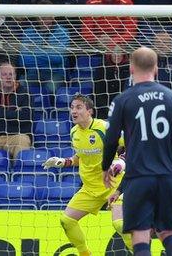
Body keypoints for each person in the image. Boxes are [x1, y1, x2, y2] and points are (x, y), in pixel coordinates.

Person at [101, 47, 172, 256]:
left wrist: (105, 166)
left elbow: (110, 140)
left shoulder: (123, 100)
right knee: (168, 233)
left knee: (141, 237)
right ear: (156, 68)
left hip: (139, 177)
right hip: (167, 177)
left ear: (131, 68)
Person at [42, 94, 132, 255]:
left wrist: (121, 161)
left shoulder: (104, 127)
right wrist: (64, 161)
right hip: (90, 188)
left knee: (120, 225)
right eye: (71, 107)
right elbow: (80, 157)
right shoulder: (74, 133)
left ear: (90, 111)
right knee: (67, 221)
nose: (73, 111)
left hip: (114, 184)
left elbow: (133, 143)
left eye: (78, 107)